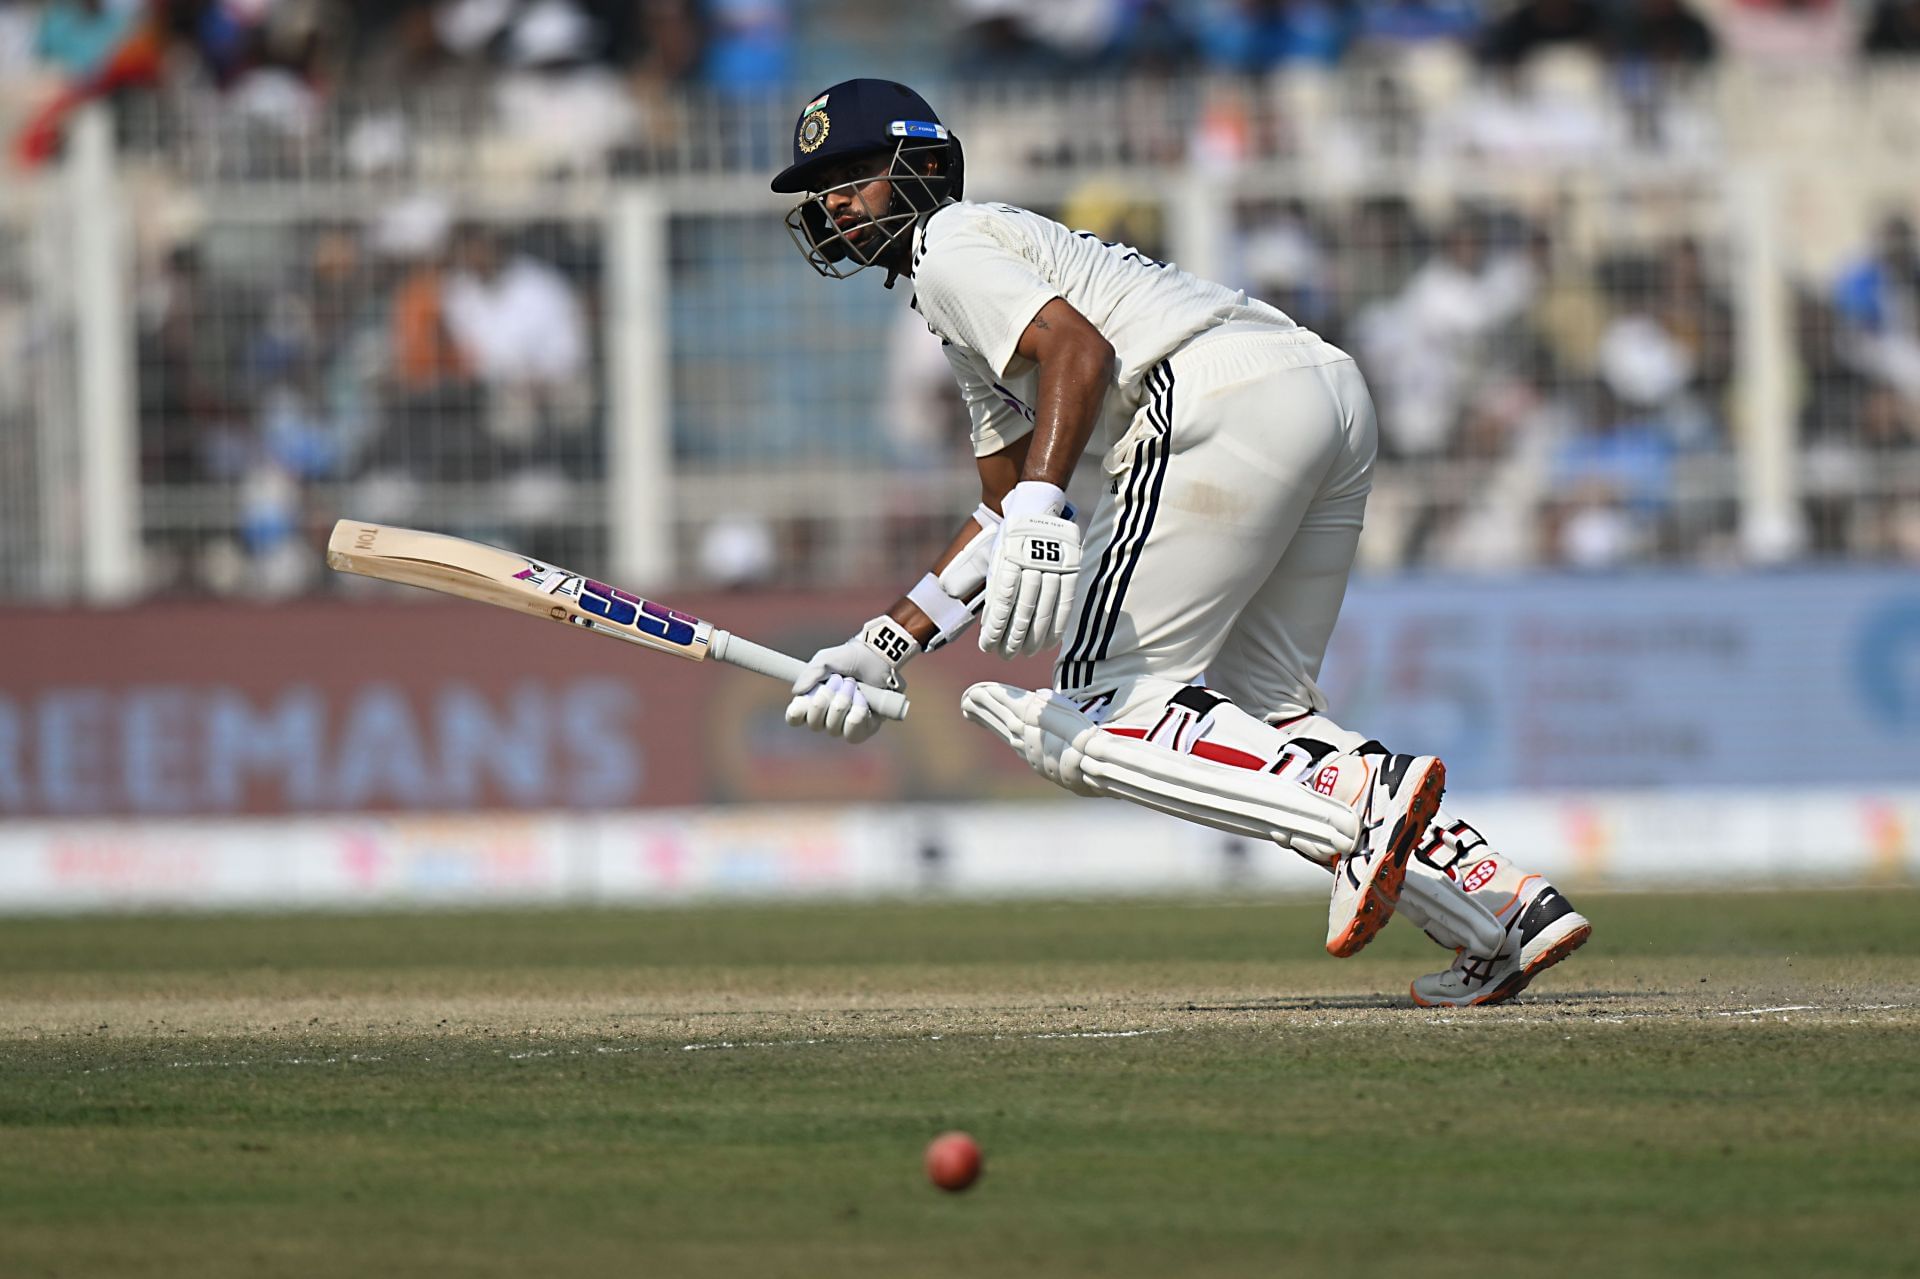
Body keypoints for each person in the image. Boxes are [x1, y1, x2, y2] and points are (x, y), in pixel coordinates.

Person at [771, 79, 1591, 1006]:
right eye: (822, 185)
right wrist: (885, 643)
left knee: (1098, 707)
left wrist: (1046, 502)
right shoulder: (964, 288)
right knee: (1257, 711)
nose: (834, 199)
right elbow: (1003, 511)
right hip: (1319, 389)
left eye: (852, 172)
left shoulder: (950, 243)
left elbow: (1076, 355)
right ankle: (1499, 910)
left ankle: (1358, 806)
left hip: (1214, 396)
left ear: (920, 165)